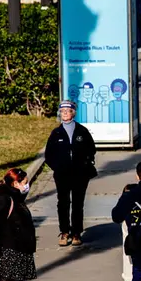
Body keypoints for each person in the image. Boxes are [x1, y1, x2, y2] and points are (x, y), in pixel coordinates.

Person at [44, 100, 97, 246]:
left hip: (80, 174)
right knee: (63, 203)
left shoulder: (82, 131)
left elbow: (91, 149)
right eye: (63, 111)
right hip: (62, 175)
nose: (65, 114)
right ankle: (64, 232)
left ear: (73, 112)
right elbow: (49, 155)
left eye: (68, 111)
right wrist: (58, 167)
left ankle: (76, 233)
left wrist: (86, 163)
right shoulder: (56, 133)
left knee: (78, 204)